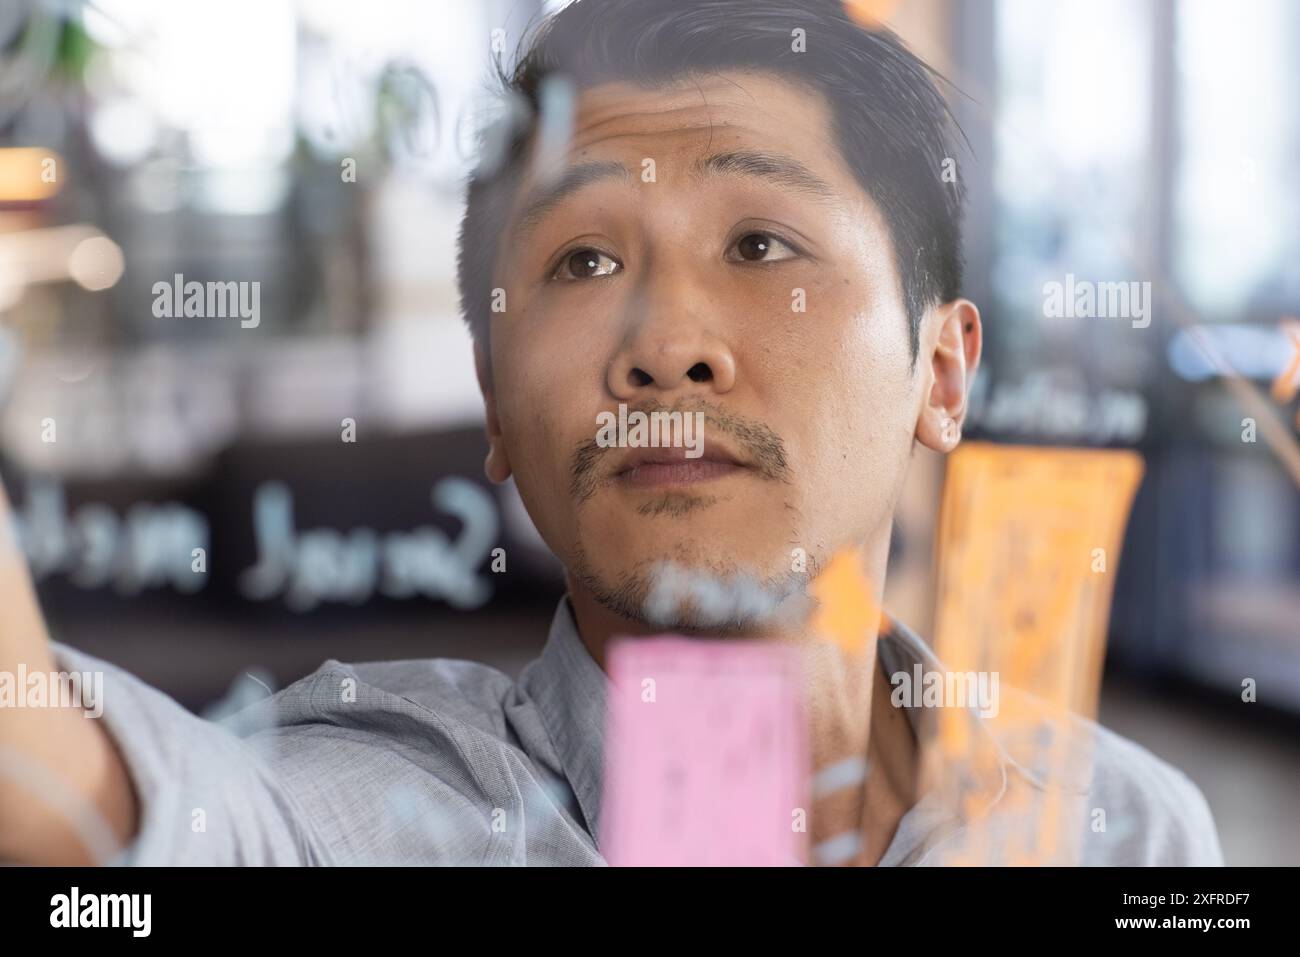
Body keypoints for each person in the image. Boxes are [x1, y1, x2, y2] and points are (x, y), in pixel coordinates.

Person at [0, 0, 1221, 866]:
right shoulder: (369, 810)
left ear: (942, 372)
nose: (665, 342)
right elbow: (64, 808)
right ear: (494, 403)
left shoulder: (1128, 828)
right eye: (582, 259)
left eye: (760, 246)